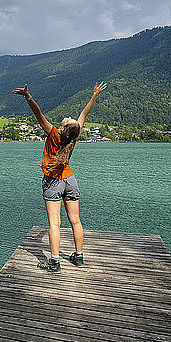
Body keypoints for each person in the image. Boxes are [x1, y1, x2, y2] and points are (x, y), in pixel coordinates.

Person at [12, 82, 108, 274]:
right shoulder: (74, 136)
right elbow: (84, 113)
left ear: (64, 127)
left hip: (53, 181)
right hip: (70, 180)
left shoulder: (54, 134)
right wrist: (94, 95)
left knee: (54, 224)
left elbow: (38, 114)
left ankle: (55, 262)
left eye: (68, 120)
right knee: (76, 221)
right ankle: (78, 257)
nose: (69, 118)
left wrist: (28, 97)